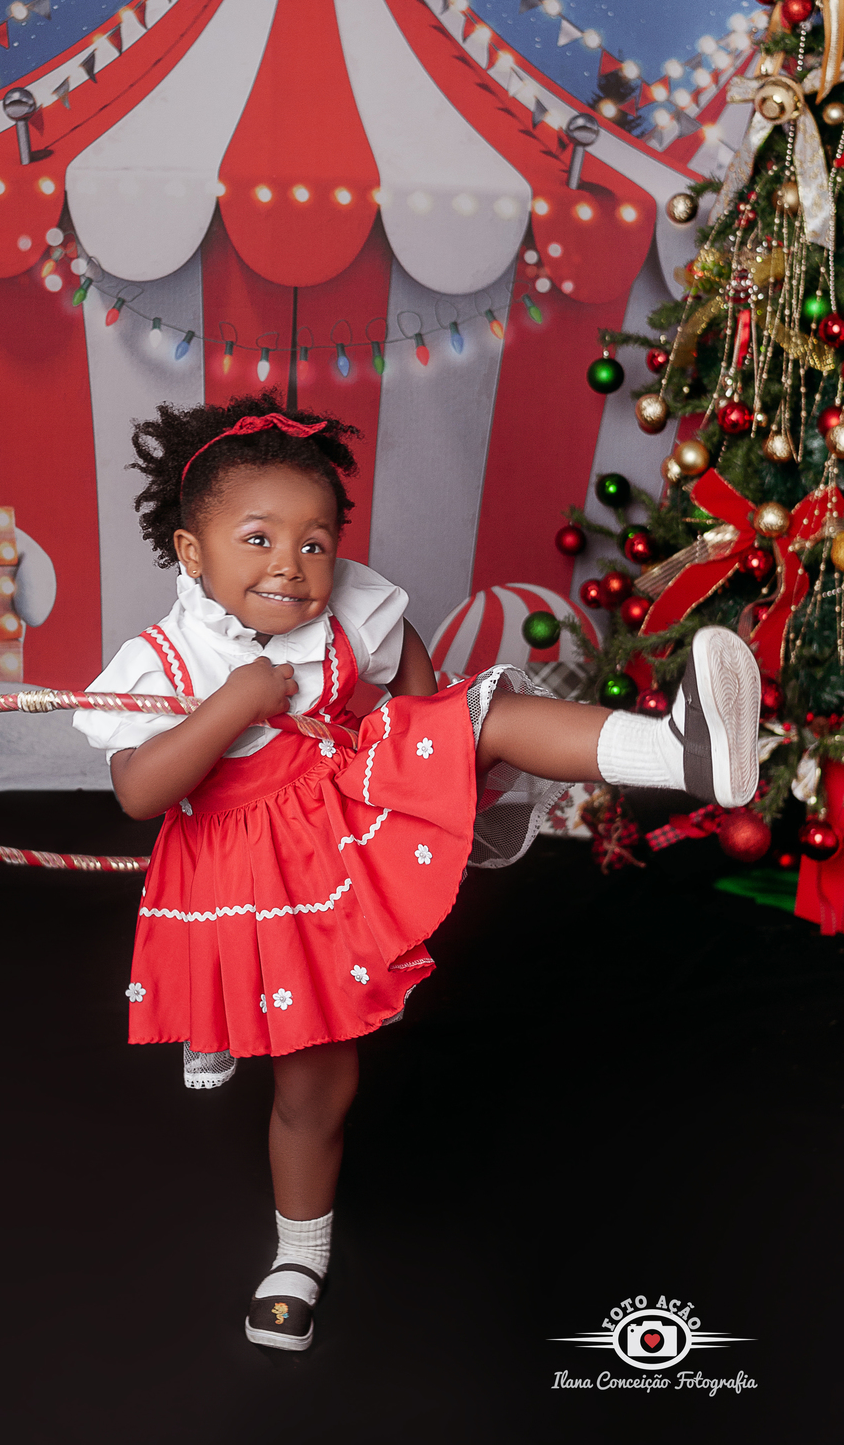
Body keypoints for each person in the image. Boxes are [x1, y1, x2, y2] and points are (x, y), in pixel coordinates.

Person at [72, 394, 760, 1352]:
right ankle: (298, 1255)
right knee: (317, 1091)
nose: (292, 563)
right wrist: (236, 701)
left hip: (343, 809)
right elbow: (142, 792)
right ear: (192, 553)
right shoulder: (163, 657)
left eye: (316, 542)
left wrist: (435, 764)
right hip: (254, 875)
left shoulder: (351, 601)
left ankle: (681, 753)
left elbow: (421, 690)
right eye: (259, 537)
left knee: (485, 713)